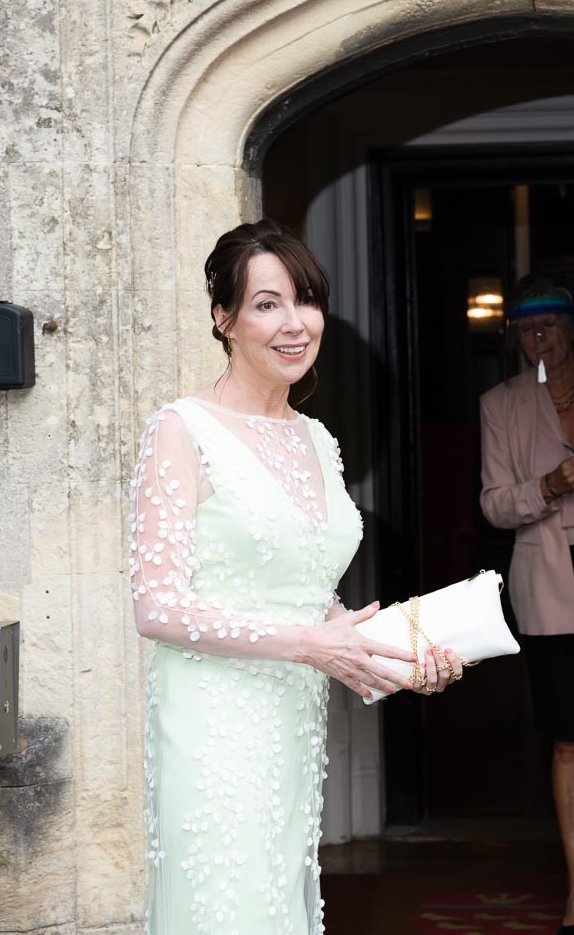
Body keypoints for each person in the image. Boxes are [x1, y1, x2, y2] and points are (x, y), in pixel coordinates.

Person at [128, 219, 460, 934]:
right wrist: (312, 645)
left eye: (306, 301)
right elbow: (156, 607)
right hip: (211, 722)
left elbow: (313, 600)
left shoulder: (317, 438)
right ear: (224, 317)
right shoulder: (180, 430)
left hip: (292, 725)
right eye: (267, 303)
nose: (295, 324)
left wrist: (406, 657)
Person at [478, 278, 574, 934]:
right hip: (551, 578)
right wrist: (550, 484)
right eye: (528, 330)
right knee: (572, 737)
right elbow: (495, 504)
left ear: (572, 327)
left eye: (551, 326)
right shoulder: (500, 404)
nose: (541, 339)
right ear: (515, 338)